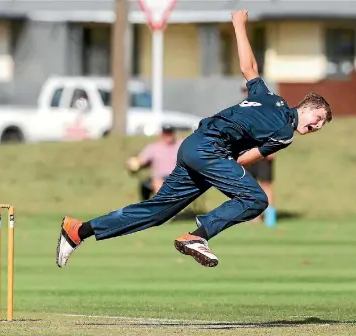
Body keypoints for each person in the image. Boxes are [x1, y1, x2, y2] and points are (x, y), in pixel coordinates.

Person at [56, 9, 332, 268]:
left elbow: (250, 69)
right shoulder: (284, 132)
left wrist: (238, 25)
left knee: (157, 212)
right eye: (318, 118)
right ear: (306, 106)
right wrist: (227, 169)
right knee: (256, 199)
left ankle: (79, 230)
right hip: (211, 151)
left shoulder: (269, 98)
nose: (317, 126)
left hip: (193, 146)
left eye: (321, 125)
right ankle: (198, 236)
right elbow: (248, 157)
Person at [241, 83, 277, 227]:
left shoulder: (268, 110)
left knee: (266, 184)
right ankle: (253, 216)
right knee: (249, 185)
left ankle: (270, 216)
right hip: (248, 152)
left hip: (264, 152)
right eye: (244, 91)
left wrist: (273, 149)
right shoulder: (241, 110)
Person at [126, 125, 182, 200]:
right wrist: (133, 164)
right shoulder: (153, 148)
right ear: (162, 134)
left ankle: (164, 206)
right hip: (159, 178)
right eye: (166, 133)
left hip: (176, 177)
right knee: (155, 183)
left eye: (170, 133)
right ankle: (152, 207)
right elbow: (141, 161)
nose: (168, 136)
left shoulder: (180, 145)